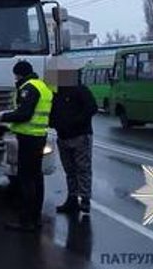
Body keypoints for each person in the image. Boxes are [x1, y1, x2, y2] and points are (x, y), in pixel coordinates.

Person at [0, 60, 53, 232]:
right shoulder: (43, 86)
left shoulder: (28, 88)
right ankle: (35, 218)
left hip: (29, 138)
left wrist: (4, 117)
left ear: (19, 74)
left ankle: (25, 220)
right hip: (39, 136)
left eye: (15, 75)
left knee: (26, 179)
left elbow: (24, 114)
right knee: (37, 178)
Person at [50, 66, 97, 215]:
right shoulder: (57, 93)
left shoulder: (81, 90)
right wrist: (55, 124)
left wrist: (75, 122)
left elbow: (92, 108)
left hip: (80, 135)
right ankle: (72, 199)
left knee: (82, 168)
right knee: (70, 170)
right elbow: (52, 112)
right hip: (63, 136)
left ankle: (84, 200)